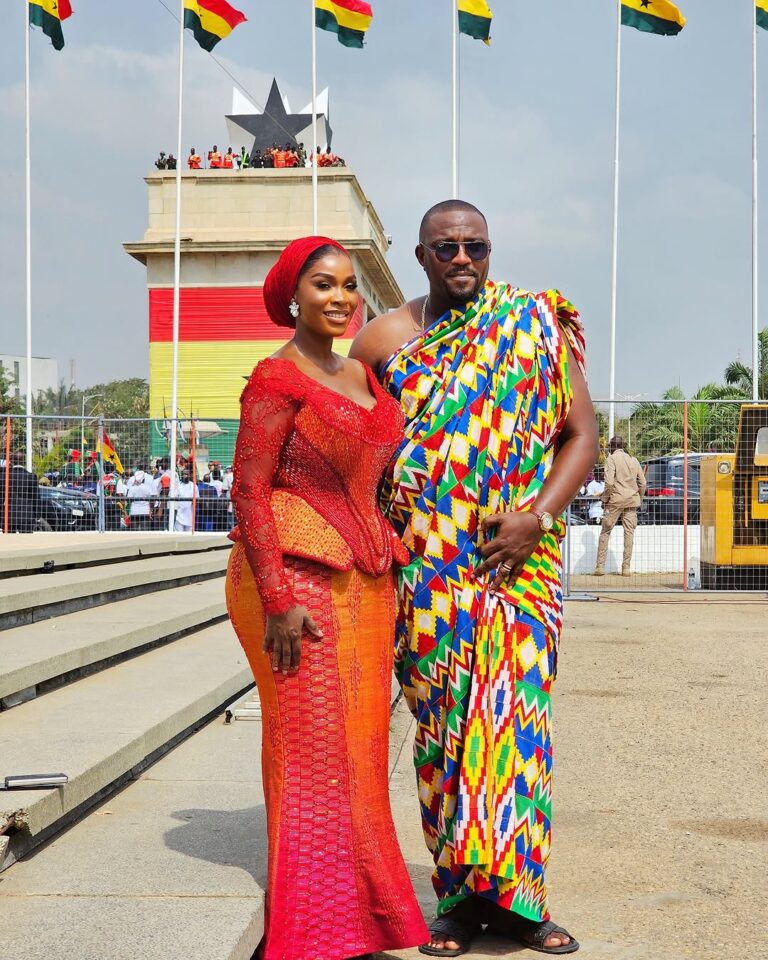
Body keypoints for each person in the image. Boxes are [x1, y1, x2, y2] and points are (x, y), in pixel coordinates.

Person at [351, 199, 597, 956]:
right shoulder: (383, 341)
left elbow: (582, 434)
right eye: (446, 248)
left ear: (491, 253)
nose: (463, 259)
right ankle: (457, 900)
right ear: (420, 257)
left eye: (476, 247)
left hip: (520, 568)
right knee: (446, 733)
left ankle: (523, 903)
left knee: (516, 728)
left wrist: (538, 517)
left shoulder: (535, 324)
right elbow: (351, 451)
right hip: (425, 574)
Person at [225, 236, 429, 960]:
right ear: (292, 296)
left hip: (369, 583)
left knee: (365, 751)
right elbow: (248, 493)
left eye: (348, 285)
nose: (340, 297)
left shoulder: (363, 376)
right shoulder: (274, 381)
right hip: (293, 580)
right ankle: (316, 927)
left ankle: (370, 912)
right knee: (311, 748)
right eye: (322, 285)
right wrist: (277, 599)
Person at [593, 436, 646, 577]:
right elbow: (643, 483)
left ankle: (600, 567)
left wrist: (605, 499)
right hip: (632, 500)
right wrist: (638, 498)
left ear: (611, 447)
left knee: (605, 531)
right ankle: (626, 568)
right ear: (623, 445)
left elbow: (609, 483)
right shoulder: (633, 460)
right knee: (629, 533)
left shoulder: (611, 459)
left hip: (615, 500)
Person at [0, 451, 40, 533]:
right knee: (27, 542)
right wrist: (37, 515)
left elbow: (1, 497)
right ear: (24, 461)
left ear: (11, 461)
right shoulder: (31, 477)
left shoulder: (4, 476)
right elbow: (36, 498)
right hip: (27, 515)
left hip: (9, 515)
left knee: (9, 542)